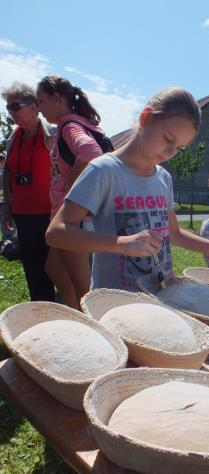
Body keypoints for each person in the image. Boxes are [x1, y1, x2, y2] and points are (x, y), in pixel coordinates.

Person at [45, 87, 209, 291]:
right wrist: (121, 243)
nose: (170, 153)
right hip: (117, 304)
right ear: (146, 118)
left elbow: (173, 233)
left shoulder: (163, 178)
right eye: (168, 139)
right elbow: (55, 233)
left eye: (179, 148)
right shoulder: (104, 170)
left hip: (162, 295)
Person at [36, 75, 106, 309]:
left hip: (75, 218)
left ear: (57, 98)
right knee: (52, 268)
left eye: (41, 102)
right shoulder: (67, 126)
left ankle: (93, 324)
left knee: (82, 285)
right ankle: (73, 311)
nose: (39, 109)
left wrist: (70, 183)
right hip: (64, 218)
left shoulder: (69, 125)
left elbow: (90, 151)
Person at [1, 82, 55, 301]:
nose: (11, 112)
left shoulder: (52, 134)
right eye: (8, 108)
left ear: (34, 106)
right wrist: (7, 208)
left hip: (52, 213)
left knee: (56, 267)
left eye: (15, 106)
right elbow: (8, 175)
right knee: (33, 268)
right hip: (23, 214)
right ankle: (41, 309)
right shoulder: (13, 138)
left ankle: (66, 311)